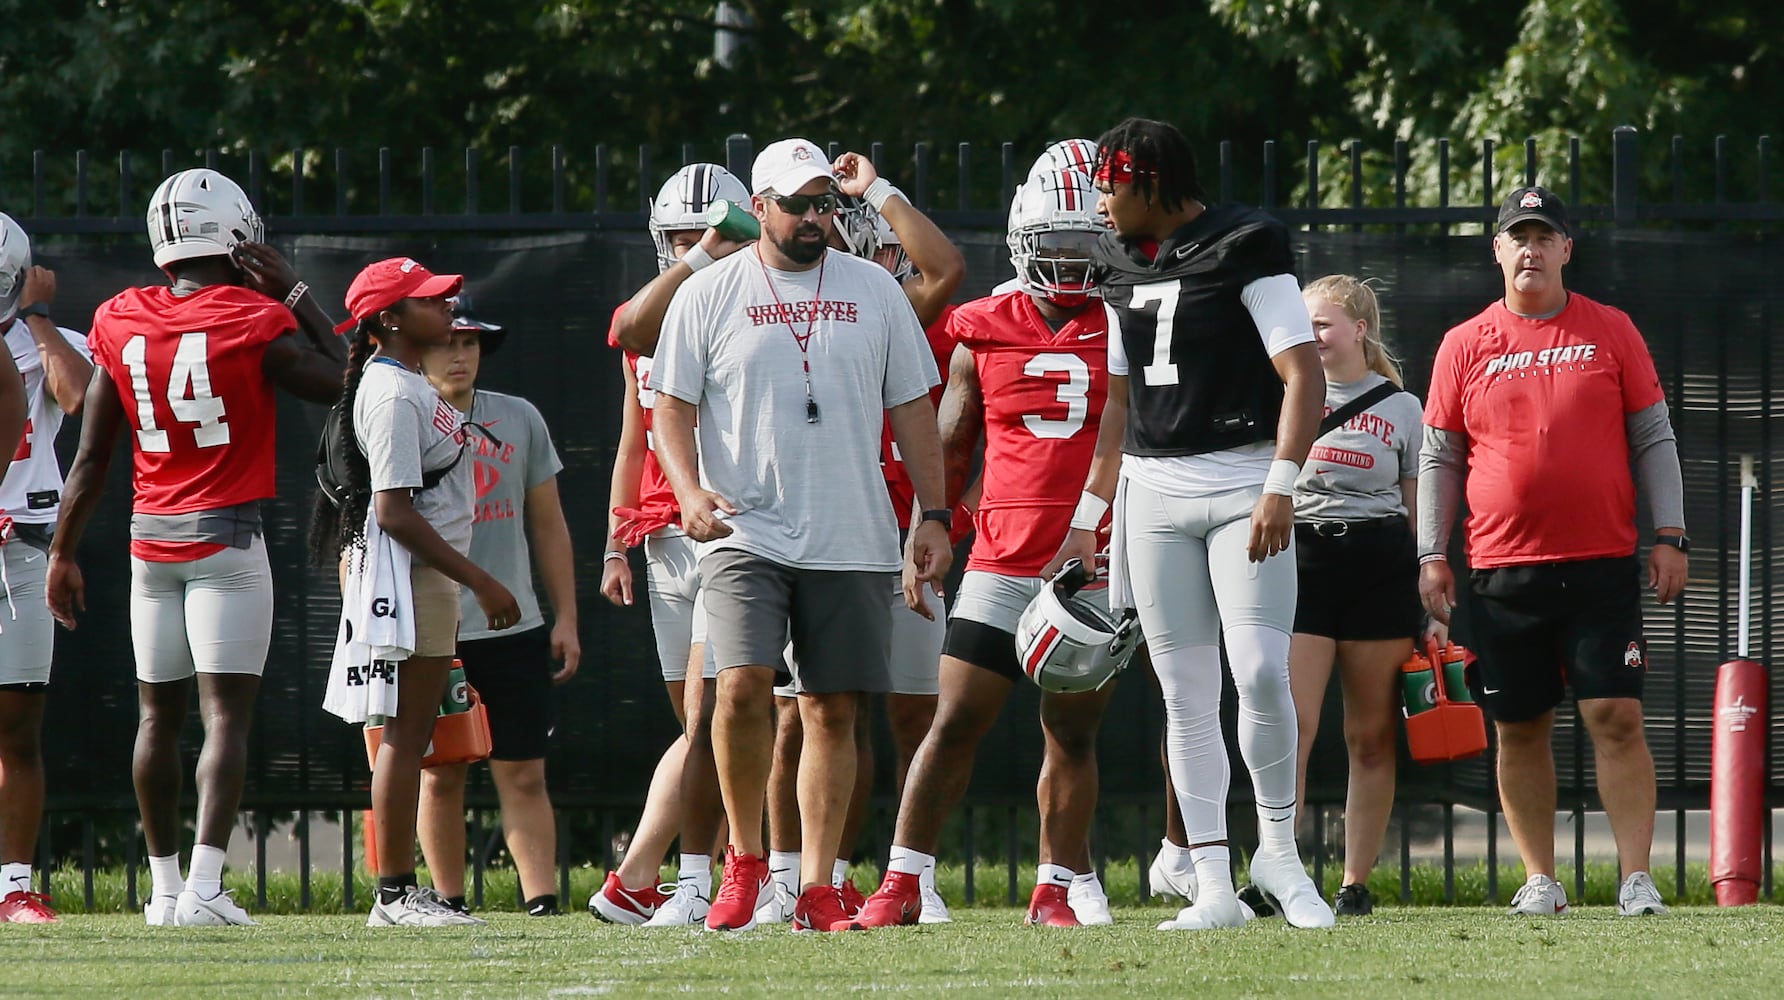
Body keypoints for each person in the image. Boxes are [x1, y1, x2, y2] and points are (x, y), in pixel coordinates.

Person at [652, 137, 951, 933]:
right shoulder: (709, 291)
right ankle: (744, 861)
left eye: (825, 202)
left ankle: (817, 884)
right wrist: (685, 490)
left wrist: (933, 514)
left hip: (852, 531)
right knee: (742, 686)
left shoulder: (874, 289)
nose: (815, 216)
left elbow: (915, 407)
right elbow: (668, 407)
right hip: (743, 529)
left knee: (831, 709)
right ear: (760, 208)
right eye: (797, 203)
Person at [1050, 118, 1334, 931]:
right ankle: (1212, 880)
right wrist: (1089, 517)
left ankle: (1277, 853)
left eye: (1110, 185)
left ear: (1146, 181)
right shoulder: (1116, 269)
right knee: (1183, 693)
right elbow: (1117, 405)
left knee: (1258, 672)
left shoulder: (1247, 242)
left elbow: (1303, 374)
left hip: (1245, 480)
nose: (1101, 203)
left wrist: (1283, 484)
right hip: (1154, 493)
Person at [46, 169, 345, 927]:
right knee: (226, 720)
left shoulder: (120, 318)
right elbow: (352, 382)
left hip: (151, 544)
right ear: (240, 237)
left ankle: (165, 889)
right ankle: (207, 887)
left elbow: (89, 461)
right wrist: (299, 296)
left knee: (157, 719)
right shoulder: (253, 318)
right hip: (228, 539)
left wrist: (62, 553)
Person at [853, 166, 1123, 930]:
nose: (1072, 265)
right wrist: (929, 522)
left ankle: (1054, 889)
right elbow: (952, 434)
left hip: (1094, 558)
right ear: (1023, 245)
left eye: (1085, 247)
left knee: (1072, 728)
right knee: (955, 719)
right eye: (1056, 247)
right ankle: (902, 883)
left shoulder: (1128, 323)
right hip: (1004, 553)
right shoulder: (981, 323)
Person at [1419, 186, 1685, 918]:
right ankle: (1541, 879)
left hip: (1600, 562)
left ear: (1567, 248)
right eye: (1517, 236)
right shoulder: (1464, 343)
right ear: (1497, 250)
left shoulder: (1612, 330)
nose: (1530, 249)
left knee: (1616, 718)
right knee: (1518, 725)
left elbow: (1653, 437)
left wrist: (1671, 535)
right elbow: (1440, 458)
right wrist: (1430, 554)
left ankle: (1637, 880)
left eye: (1545, 236)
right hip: (1503, 570)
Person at [756, 154, 965, 927]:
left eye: (889, 249)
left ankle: (912, 871)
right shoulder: (781, 295)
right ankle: (803, 874)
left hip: (899, 526)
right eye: (865, 241)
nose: (880, 259)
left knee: (912, 714)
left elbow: (943, 267)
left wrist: (874, 191)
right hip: (812, 527)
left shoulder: (883, 300)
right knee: (802, 715)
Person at [310, 256, 521, 927]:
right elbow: (395, 510)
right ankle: (395, 894)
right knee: (408, 735)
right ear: (389, 318)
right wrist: (481, 580)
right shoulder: (396, 392)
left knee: (412, 733)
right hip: (415, 578)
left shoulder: (400, 380)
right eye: (430, 301)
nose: (448, 308)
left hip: (422, 576)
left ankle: (400, 892)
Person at [590, 161, 750, 928]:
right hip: (661, 540)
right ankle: (696, 874)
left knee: (709, 718)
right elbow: (631, 444)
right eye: (684, 238)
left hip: (722, 527)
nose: (697, 248)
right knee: (698, 725)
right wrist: (617, 544)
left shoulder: (747, 309)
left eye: (710, 235)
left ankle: (647, 875)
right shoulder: (651, 319)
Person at [415, 295, 580, 918]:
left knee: (523, 773)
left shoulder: (519, 419)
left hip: (516, 630)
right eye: (443, 342)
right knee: (440, 773)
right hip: (432, 629)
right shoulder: (397, 415)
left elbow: (549, 524)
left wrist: (565, 617)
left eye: (470, 343)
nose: (458, 355)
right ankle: (448, 903)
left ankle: (542, 903)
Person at [1285, 274, 1423, 916]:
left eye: (1322, 325)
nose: (1311, 338)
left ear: (1359, 330)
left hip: (1379, 568)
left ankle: (1354, 882)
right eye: (1303, 326)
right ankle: (1279, 867)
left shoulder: (1401, 407)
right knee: (1292, 728)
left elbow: (1417, 506)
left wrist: (1428, 587)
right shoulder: (1283, 393)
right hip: (1302, 560)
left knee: (1370, 735)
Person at [0, 215, 58, 924]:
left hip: (23, 547)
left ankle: (14, 883)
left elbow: (76, 394)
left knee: (18, 725)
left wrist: (40, 321)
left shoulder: (42, 343)